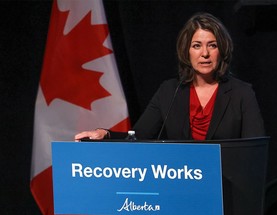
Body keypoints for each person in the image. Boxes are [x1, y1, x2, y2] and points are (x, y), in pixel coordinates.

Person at [75, 12, 265, 141]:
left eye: (212, 45)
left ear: (221, 50)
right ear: (187, 51)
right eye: (197, 45)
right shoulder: (169, 91)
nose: (205, 53)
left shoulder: (242, 93)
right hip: (179, 186)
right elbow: (137, 138)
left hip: (227, 189)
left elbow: (255, 151)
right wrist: (105, 134)